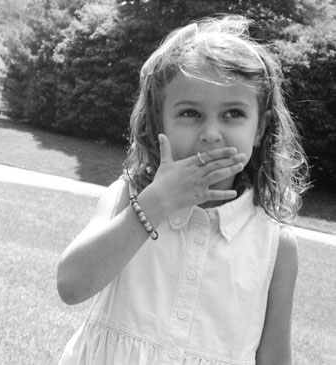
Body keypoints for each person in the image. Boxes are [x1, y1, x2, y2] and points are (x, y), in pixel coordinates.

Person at [57, 15, 309, 365]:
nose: (210, 133)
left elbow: (275, 355)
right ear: (160, 123)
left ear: (259, 128)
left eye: (233, 113)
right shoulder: (127, 196)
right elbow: (71, 286)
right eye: (190, 113)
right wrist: (156, 203)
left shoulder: (275, 245)